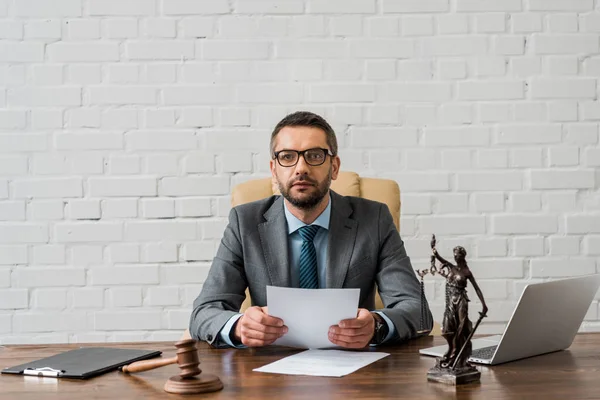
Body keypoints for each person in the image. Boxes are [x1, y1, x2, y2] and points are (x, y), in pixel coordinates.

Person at [189, 111, 433, 349]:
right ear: (274, 170)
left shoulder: (374, 219)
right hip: (270, 371)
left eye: (314, 155)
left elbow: (416, 309)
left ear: (334, 167)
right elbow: (204, 313)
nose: (301, 168)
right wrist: (240, 326)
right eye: (287, 156)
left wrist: (377, 326)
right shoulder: (245, 223)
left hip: (353, 369)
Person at [430, 235, 488, 369]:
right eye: (454, 255)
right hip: (451, 301)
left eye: (458, 255)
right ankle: (452, 351)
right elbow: (438, 257)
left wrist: (484, 305)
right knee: (447, 328)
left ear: (462, 256)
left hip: (461, 300)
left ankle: (458, 356)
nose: (455, 257)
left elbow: (477, 289)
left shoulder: (467, 272)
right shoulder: (451, 267)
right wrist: (433, 248)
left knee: (461, 327)